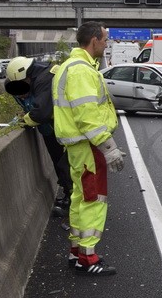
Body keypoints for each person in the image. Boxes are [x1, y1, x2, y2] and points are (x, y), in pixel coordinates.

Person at [53, 21, 125, 276]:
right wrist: (109, 147)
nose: (106, 44)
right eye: (105, 40)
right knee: (93, 200)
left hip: (77, 146)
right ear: (93, 40)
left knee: (80, 199)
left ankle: (77, 251)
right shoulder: (81, 71)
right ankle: (88, 257)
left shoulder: (68, 67)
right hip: (88, 146)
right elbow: (87, 116)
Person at [4, 56, 73, 218]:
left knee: (67, 166)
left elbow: (42, 112)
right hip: (53, 129)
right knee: (61, 165)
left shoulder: (45, 79)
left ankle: (73, 204)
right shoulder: (37, 77)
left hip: (64, 129)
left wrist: (26, 119)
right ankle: (68, 196)